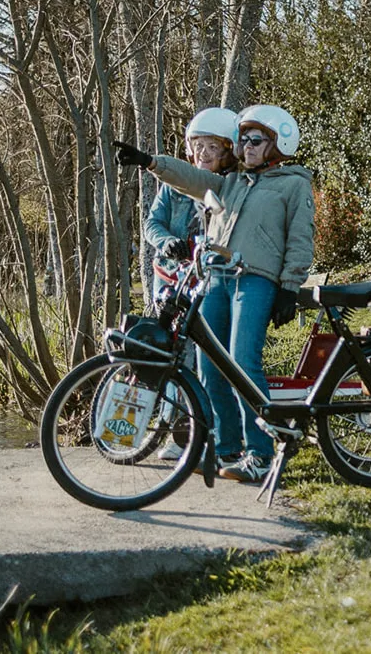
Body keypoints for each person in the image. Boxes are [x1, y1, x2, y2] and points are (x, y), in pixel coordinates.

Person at [114, 104, 315, 484]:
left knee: (242, 363)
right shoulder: (234, 182)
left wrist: (290, 286)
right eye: (244, 140)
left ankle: (260, 454)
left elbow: (301, 239)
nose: (248, 146)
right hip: (217, 279)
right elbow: (190, 177)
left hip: (255, 280)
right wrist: (151, 162)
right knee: (210, 367)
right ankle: (226, 449)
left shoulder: (293, 184)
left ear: (277, 144)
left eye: (256, 140)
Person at [143, 108, 239, 309]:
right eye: (198, 145)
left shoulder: (233, 189)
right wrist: (166, 242)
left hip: (211, 279)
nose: (203, 153)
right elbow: (152, 222)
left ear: (229, 152)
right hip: (171, 275)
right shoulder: (173, 187)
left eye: (212, 147)